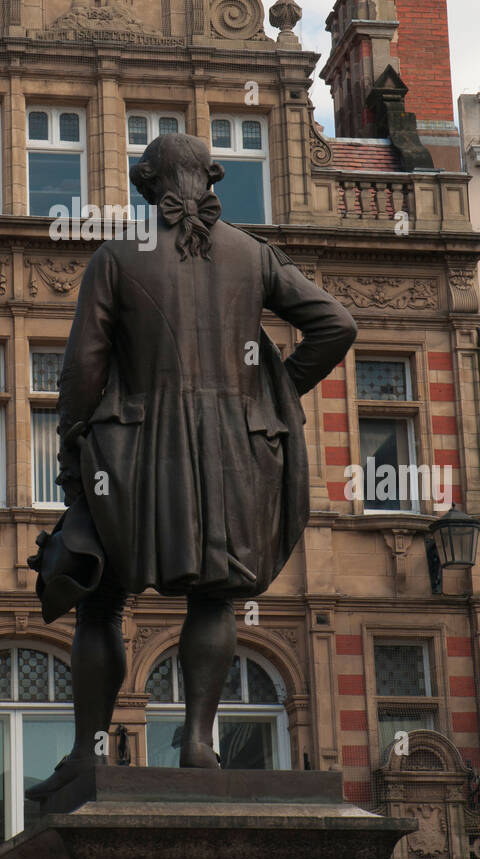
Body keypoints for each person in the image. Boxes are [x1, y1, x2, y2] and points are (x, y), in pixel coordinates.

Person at [28, 133, 356, 798]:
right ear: (210, 180)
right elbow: (336, 324)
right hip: (236, 453)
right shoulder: (252, 254)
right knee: (215, 595)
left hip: (132, 453)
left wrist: (71, 442)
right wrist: (273, 392)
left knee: (100, 597)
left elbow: (83, 366)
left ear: (145, 186)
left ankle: (89, 752)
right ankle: (200, 743)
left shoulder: (117, 256)